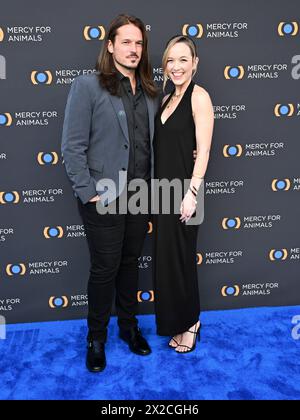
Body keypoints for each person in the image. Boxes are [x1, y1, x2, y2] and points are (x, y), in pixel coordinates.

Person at [61, 14, 158, 372]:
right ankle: (96, 337)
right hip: (102, 197)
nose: (134, 49)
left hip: (140, 196)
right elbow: (71, 146)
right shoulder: (88, 85)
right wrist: (88, 193)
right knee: (105, 269)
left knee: (130, 265)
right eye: (127, 42)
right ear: (111, 45)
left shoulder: (149, 91)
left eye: (139, 43)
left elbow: (152, 145)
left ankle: (129, 329)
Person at [153, 35, 214, 353]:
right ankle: (177, 322)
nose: (176, 67)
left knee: (183, 261)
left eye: (183, 60)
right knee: (167, 263)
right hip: (162, 193)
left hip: (185, 193)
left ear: (195, 63)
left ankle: (191, 323)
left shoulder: (199, 97)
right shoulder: (164, 100)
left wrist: (192, 194)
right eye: (171, 61)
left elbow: (203, 151)